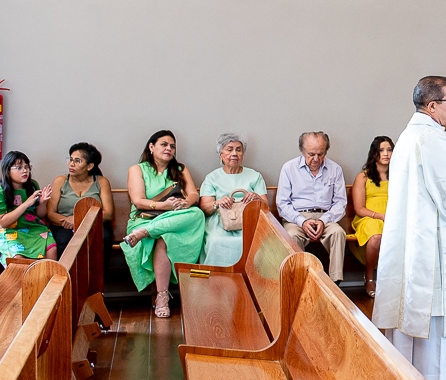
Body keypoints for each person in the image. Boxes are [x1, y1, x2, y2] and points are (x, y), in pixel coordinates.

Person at [372, 76, 446, 380]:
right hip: (436, 244)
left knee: (420, 308)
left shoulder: (409, 136)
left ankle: (412, 375)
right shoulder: (435, 140)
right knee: (438, 311)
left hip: (416, 239)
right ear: (432, 105)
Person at [122, 130, 205, 318]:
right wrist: (163, 206)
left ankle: (146, 233)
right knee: (164, 237)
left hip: (172, 220)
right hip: (144, 219)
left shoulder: (181, 169)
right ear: (151, 147)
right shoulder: (137, 169)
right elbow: (138, 201)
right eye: (164, 144)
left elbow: (193, 194)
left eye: (172, 146)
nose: (169, 148)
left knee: (197, 214)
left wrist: (186, 203)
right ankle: (162, 297)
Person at [277, 132, 348, 283]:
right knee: (292, 236)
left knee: (338, 233)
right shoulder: (289, 168)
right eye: (311, 154)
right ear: (302, 151)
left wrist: (324, 220)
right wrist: (302, 221)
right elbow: (282, 203)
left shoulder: (335, 169)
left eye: (320, 154)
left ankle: (335, 284)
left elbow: (340, 202)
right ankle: (301, 281)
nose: (316, 159)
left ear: (326, 151)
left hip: (326, 217)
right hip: (296, 218)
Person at [198, 134, 268, 267]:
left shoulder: (254, 176)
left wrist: (256, 198)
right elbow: (205, 208)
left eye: (238, 150)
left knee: (258, 241)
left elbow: (266, 207)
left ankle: (250, 283)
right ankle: (216, 283)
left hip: (249, 221)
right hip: (219, 222)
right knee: (215, 241)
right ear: (221, 154)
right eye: (229, 149)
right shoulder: (212, 177)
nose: (234, 153)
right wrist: (217, 203)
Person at [0, 151, 56, 266]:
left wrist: (43, 203)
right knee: (19, 257)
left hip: (32, 228)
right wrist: (25, 204)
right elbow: (1, 223)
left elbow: (39, 215)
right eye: (19, 168)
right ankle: (22, 284)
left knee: (52, 249)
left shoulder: (32, 185)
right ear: (8, 170)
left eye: (27, 167)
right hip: (7, 231)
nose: (25, 171)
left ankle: (46, 282)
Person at [46, 142, 115, 252]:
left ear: (89, 166)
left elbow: (108, 214)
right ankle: (65, 270)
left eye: (77, 161)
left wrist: (78, 220)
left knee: (103, 239)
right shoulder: (60, 181)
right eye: (70, 159)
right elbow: (50, 214)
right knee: (64, 241)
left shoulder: (102, 182)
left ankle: (98, 270)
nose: (71, 164)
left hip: (94, 224)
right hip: (64, 225)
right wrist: (69, 222)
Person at [350, 136, 393, 299]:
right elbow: (359, 208)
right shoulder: (363, 177)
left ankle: (392, 281)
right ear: (374, 153)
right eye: (381, 150)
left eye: (389, 150)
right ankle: (369, 278)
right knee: (376, 236)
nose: (386, 154)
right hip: (369, 218)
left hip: (392, 217)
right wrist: (380, 216)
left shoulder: (398, 176)